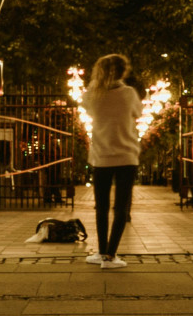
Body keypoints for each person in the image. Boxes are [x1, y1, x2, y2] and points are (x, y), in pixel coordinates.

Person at [82, 53, 141, 270]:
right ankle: (110, 256)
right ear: (123, 72)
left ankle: (100, 251)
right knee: (121, 207)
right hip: (127, 156)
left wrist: (96, 82)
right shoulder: (129, 93)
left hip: (102, 157)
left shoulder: (94, 93)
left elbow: (85, 105)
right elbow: (138, 112)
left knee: (102, 207)